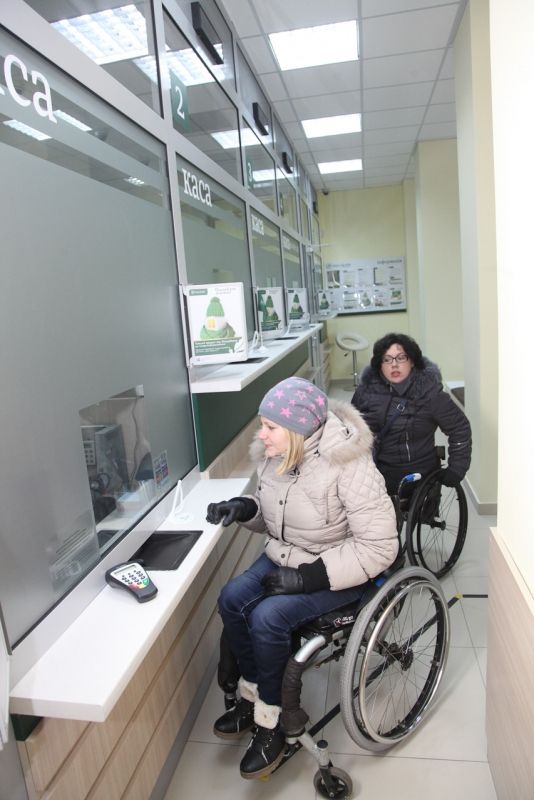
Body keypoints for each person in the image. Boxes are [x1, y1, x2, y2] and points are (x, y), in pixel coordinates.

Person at [206, 376, 398, 780]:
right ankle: (253, 694)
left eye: (270, 426)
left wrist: (310, 578)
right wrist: (245, 508)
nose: (261, 434)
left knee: (268, 617)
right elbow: (276, 515)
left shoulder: (349, 465)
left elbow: (380, 547)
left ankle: (273, 720)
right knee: (232, 598)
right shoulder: (275, 455)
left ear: (297, 430)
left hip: (338, 569)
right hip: (286, 555)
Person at [351, 332, 472, 496]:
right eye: (387, 359)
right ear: (380, 365)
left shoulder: (430, 393)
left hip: (416, 472)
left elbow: (459, 428)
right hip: (374, 469)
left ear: (412, 361)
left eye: (401, 358)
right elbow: (350, 428)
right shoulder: (366, 391)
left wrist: (456, 469)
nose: (394, 365)